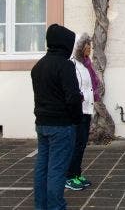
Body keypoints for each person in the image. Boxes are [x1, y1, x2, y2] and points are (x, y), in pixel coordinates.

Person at [31, 24, 83, 210]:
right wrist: (77, 119)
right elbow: (72, 97)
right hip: (62, 125)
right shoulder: (65, 65)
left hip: (42, 123)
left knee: (42, 168)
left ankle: (41, 206)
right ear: (65, 44)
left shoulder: (38, 66)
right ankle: (56, 206)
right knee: (57, 170)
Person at [65, 33, 97, 191]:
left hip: (87, 109)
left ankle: (77, 174)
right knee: (76, 144)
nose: (90, 48)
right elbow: (75, 88)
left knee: (82, 144)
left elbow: (91, 86)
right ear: (79, 47)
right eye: (87, 45)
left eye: (90, 46)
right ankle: (69, 176)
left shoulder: (86, 64)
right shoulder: (73, 65)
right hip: (78, 110)